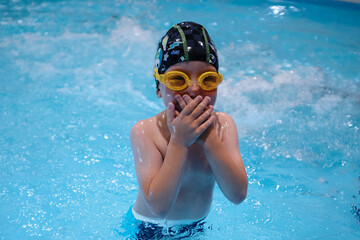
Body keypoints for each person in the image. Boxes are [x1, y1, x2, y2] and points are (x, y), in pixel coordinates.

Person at [130, 21, 248, 227]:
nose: (194, 89)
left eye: (207, 79)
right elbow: (158, 208)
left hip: (197, 227)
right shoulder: (146, 131)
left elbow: (237, 195)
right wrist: (179, 141)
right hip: (151, 229)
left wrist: (209, 138)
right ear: (159, 88)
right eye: (178, 79)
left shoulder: (223, 126)